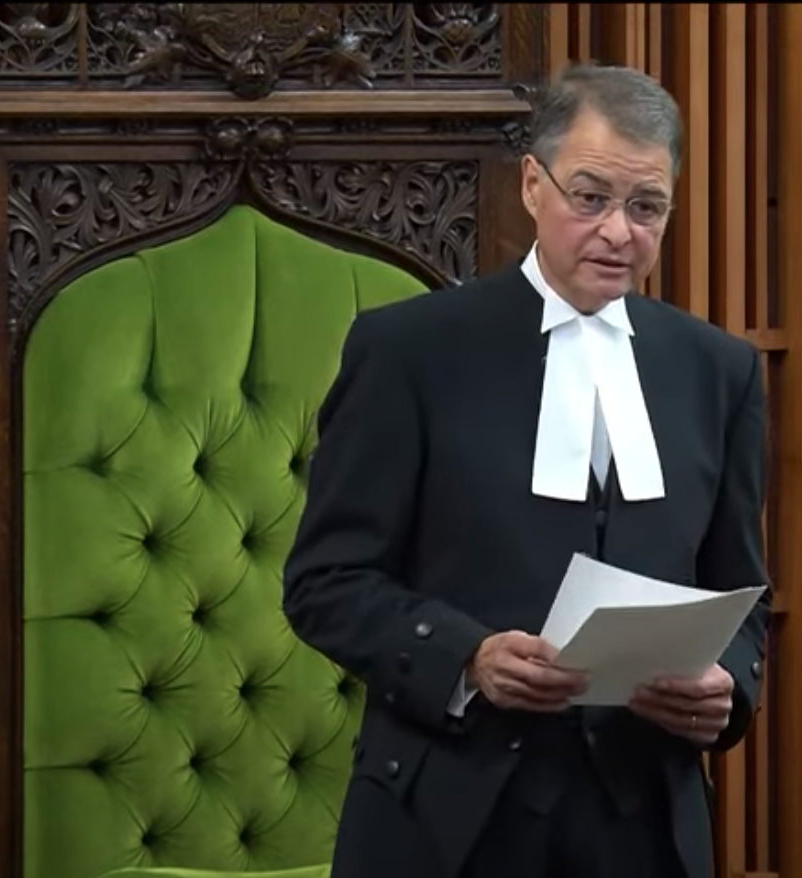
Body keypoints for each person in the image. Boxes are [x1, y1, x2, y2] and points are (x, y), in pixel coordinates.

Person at [281, 61, 772, 878]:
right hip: (448, 814)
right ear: (532, 185)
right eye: (590, 197)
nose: (618, 232)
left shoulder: (718, 371)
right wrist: (466, 658)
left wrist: (726, 687)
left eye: (645, 207)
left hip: (641, 822)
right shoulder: (408, 351)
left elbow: (741, 592)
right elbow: (324, 582)